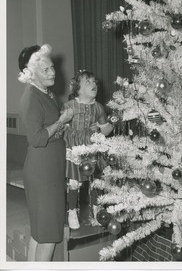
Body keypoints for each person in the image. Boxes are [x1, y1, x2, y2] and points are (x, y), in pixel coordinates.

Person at [18, 44, 73, 261]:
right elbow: (37, 138)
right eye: (45, 70)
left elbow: (50, 129)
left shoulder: (46, 94)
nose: (52, 73)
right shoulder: (31, 97)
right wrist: (61, 121)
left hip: (50, 169)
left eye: (52, 68)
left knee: (40, 233)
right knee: (49, 235)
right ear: (30, 73)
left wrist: (63, 126)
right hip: (43, 173)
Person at [63, 70, 113, 229]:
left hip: (92, 146)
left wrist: (99, 128)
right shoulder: (70, 106)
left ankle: (97, 211)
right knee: (74, 181)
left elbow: (107, 129)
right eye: (88, 82)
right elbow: (61, 125)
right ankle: (72, 211)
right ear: (78, 89)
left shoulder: (98, 107)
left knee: (94, 180)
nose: (94, 84)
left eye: (95, 81)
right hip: (75, 147)